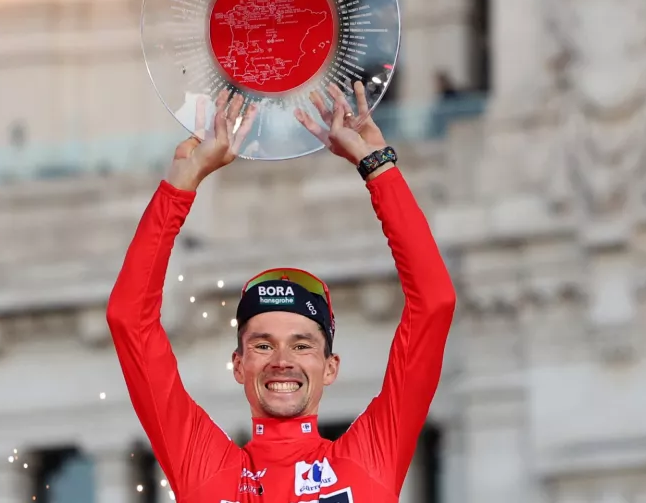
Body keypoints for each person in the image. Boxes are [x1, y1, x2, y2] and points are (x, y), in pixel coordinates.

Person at [108, 82, 457, 502]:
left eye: (302, 345)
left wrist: (379, 168)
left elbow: (434, 303)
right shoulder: (206, 467)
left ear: (330, 367)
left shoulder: (370, 456)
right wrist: (179, 187)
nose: (281, 361)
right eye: (262, 345)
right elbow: (129, 320)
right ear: (239, 365)